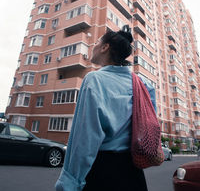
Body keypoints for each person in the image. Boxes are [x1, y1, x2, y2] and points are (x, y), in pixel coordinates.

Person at [55, 26, 156, 191]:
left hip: (102, 173)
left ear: (104, 47)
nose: (92, 46)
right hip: (135, 174)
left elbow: (85, 139)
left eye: (96, 42)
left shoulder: (94, 80)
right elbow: (149, 124)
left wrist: (69, 182)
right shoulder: (144, 85)